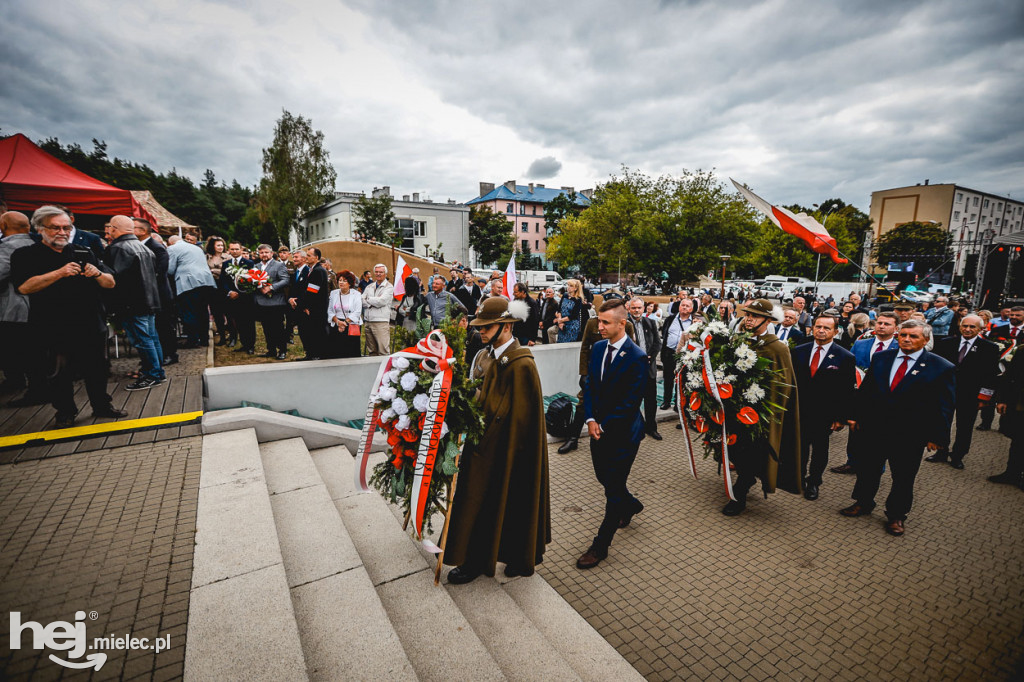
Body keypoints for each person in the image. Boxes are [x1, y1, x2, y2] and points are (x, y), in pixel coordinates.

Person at [444, 297, 550, 584]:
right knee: (480, 501)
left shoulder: (521, 364)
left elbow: (522, 419)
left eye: (487, 326)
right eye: (480, 325)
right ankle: (475, 558)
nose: (481, 331)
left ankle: (515, 556)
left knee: (513, 502)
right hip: (484, 446)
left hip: (511, 450)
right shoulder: (485, 355)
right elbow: (485, 401)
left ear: (506, 326)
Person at [11, 205, 125, 426]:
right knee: (58, 373)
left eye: (66, 227)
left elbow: (110, 282)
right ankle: (65, 412)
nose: (62, 232)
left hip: (90, 321)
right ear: (39, 228)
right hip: (52, 324)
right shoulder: (26, 254)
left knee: (97, 368)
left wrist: (97, 273)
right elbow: (24, 288)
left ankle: (102, 405)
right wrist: (59, 273)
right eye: (55, 228)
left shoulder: (83, 250)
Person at [841, 320, 956, 536]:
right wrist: (855, 416)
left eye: (913, 336)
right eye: (903, 335)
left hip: (910, 434)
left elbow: (945, 406)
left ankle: (896, 515)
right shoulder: (882, 358)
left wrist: (938, 437)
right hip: (875, 428)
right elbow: (867, 390)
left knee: (903, 477)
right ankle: (863, 502)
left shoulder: (941, 367)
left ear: (925, 339)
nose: (906, 339)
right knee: (868, 469)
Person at [575, 299, 649, 570]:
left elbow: (630, 403)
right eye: (598, 320)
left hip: (623, 434)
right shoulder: (596, 348)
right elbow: (591, 385)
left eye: (605, 322)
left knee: (613, 489)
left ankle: (600, 545)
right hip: (598, 429)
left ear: (622, 324)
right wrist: (591, 418)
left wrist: (603, 424)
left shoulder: (637, 357)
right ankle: (630, 505)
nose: (599, 326)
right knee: (604, 479)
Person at [722, 299, 802, 516]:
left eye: (755, 316)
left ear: (768, 320)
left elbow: (783, 384)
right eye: (747, 314)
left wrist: (766, 408)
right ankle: (745, 477)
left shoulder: (777, 347)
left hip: (759, 412)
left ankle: (740, 492)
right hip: (734, 407)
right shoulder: (740, 340)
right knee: (734, 448)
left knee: (750, 451)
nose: (748, 319)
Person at [791, 315, 855, 501]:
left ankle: (814, 482)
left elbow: (846, 391)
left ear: (835, 332)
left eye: (827, 328)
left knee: (820, 450)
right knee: (800, 447)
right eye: (818, 326)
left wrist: (841, 417)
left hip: (825, 414)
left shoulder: (845, 356)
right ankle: (799, 477)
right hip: (800, 411)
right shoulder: (798, 351)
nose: (821, 330)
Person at [926, 315, 999, 469]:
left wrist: (984, 398)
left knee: (964, 426)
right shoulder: (946, 343)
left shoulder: (989, 348)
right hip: (946, 392)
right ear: (960, 326)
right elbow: (936, 368)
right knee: (942, 422)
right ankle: (941, 451)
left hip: (970, 395)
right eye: (965, 326)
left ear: (980, 329)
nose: (967, 329)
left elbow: (991, 375)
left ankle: (958, 455)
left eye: (972, 327)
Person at [557, 315, 636, 454]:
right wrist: (584, 373)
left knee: (614, 404)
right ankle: (573, 438)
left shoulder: (627, 325)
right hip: (595, 371)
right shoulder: (592, 322)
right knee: (583, 402)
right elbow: (585, 347)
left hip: (615, 373)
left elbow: (631, 350)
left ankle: (613, 438)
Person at [833, 311, 900, 475]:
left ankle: (877, 467)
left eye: (887, 324)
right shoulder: (862, 343)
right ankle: (852, 462)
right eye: (879, 323)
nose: (882, 326)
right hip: (860, 396)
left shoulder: (899, 347)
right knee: (855, 431)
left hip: (884, 399)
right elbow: (850, 366)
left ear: (896, 328)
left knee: (878, 436)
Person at [104, 215, 165, 390]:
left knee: (143, 340)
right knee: (151, 338)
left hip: (133, 302)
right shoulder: (143, 247)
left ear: (114, 228)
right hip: (149, 299)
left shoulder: (118, 248)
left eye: (109, 228)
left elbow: (115, 279)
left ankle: (152, 374)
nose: (108, 232)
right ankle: (157, 372)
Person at [0, 211, 45, 402]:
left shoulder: (8, 247)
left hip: (14, 307)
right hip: (38, 306)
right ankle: (35, 386)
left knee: (16, 349)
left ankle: (33, 389)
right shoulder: (37, 244)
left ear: (3, 226)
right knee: (34, 350)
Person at [133, 219, 178, 365]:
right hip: (147, 294)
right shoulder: (136, 246)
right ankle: (155, 357)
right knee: (153, 327)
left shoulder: (157, 248)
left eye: (133, 228)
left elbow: (160, 272)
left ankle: (170, 354)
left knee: (164, 325)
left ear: (143, 231)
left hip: (160, 294)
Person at [167, 235, 217, 347]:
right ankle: (204, 339)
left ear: (170, 243)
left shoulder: (172, 249)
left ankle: (193, 340)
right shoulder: (196, 248)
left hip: (188, 283)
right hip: (206, 281)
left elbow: (170, 269)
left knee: (189, 312)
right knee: (202, 311)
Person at [627, 297, 663, 441]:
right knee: (632, 400)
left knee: (651, 401)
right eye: (634, 308)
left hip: (648, 368)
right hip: (632, 370)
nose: (636, 310)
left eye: (639, 308)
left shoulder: (651, 322)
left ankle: (651, 428)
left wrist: (649, 358)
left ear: (644, 308)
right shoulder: (625, 324)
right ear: (629, 308)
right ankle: (635, 428)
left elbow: (657, 343)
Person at [990, 348, 1024, 489]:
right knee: (1018, 440)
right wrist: (1002, 399)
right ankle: (1012, 474)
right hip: (1019, 405)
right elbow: (1010, 375)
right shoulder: (1022, 350)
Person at [252, 243, 291, 360]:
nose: (264, 255)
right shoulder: (256, 266)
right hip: (261, 301)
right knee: (266, 327)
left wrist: (271, 287)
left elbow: (285, 280)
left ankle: (282, 350)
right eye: (261, 253)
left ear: (272, 253)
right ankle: (271, 349)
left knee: (278, 327)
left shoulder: (279, 265)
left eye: (266, 252)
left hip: (276, 302)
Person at [219, 240, 256, 355]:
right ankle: (244, 344)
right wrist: (229, 292)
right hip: (232, 298)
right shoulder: (226, 264)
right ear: (229, 250)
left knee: (248, 323)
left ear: (241, 250)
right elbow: (223, 281)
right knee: (238, 322)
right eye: (232, 249)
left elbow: (252, 280)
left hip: (245, 298)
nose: (234, 251)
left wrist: (241, 292)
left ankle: (250, 345)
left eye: (237, 249)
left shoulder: (249, 263)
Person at [659, 297, 695, 410]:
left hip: (685, 355)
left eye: (687, 306)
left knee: (682, 380)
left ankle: (678, 403)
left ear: (692, 309)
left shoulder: (695, 322)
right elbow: (664, 335)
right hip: (669, 353)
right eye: (682, 305)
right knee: (668, 378)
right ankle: (666, 401)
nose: (684, 307)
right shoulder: (670, 319)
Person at [326, 269, 362, 358]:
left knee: (350, 352)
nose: (341, 282)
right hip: (336, 324)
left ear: (350, 283)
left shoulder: (356, 294)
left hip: (351, 324)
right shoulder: (334, 293)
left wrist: (344, 323)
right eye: (340, 280)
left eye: (344, 281)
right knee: (336, 351)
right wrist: (338, 322)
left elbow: (357, 312)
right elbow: (330, 310)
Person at [361, 263, 394, 356]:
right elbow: (361, 300)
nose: (378, 274)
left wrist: (368, 299)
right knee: (372, 351)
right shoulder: (369, 286)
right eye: (376, 272)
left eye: (381, 272)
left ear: (385, 274)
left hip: (381, 322)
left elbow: (381, 301)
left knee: (383, 350)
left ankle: (384, 370)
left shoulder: (389, 287)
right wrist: (373, 301)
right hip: (368, 321)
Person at [206, 237, 233, 345]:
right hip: (212, 287)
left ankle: (232, 335)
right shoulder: (207, 257)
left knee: (228, 312)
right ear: (213, 246)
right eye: (218, 245)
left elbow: (228, 271)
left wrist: (214, 271)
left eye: (222, 245)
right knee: (217, 313)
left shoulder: (228, 257)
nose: (220, 247)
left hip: (225, 286)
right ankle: (222, 335)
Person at [555, 279, 586, 343]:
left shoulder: (578, 300)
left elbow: (573, 315)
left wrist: (560, 320)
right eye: (568, 285)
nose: (568, 287)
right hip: (562, 323)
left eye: (571, 286)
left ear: (576, 288)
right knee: (560, 343)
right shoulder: (565, 295)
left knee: (568, 344)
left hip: (571, 325)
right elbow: (559, 309)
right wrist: (560, 322)